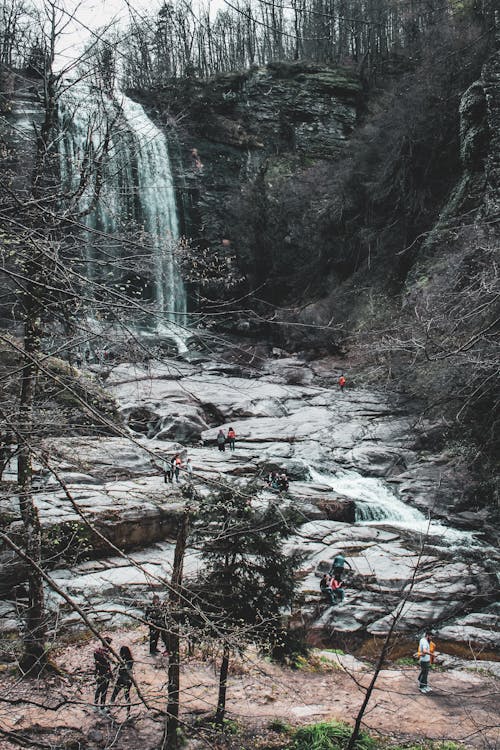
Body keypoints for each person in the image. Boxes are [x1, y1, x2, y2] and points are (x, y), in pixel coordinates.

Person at [110, 645, 133, 716]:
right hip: (123, 679)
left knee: (126, 695)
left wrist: (121, 665)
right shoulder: (123, 660)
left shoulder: (130, 661)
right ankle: (110, 707)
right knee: (115, 693)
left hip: (126, 680)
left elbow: (127, 668)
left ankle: (128, 712)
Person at [94, 637, 113, 711]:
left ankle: (95, 704)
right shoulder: (106, 653)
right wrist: (111, 675)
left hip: (98, 673)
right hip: (105, 674)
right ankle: (102, 706)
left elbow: (96, 663)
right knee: (104, 691)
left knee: (98, 689)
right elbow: (108, 665)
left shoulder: (96, 651)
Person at [417, 630, 434, 694]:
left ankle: (425, 685)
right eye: (431, 637)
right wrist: (432, 655)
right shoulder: (424, 642)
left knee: (425, 673)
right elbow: (424, 651)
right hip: (424, 660)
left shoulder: (423, 640)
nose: (431, 638)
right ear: (427, 636)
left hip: (426, 659)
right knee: (424, 673)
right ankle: (421, 687)